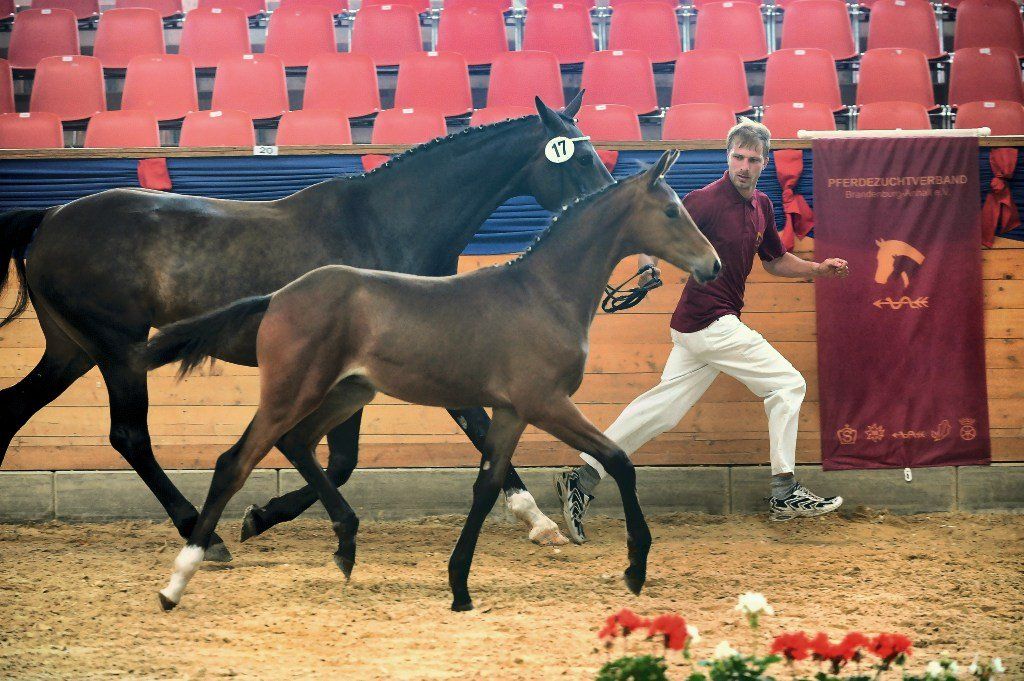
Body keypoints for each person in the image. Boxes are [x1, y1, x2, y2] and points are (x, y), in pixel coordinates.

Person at [555, 118, 850, 543]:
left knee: (662, 410)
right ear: (727, 157)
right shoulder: (706, 200)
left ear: (764, 162)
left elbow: (774, 260)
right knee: (788, 385)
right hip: (711, 322)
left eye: (752, 159)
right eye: (737, 157)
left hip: (701, 327)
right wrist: (648, 266)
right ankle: (784, 490)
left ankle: (581, 479)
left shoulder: (762, 206)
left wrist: (818, 270)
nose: (743, 166)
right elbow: (652, 229)